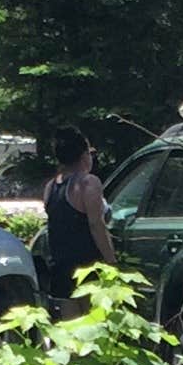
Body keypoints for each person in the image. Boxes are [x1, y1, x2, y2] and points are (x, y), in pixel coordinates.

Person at [39, 129, 114, 305]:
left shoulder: (51, 186)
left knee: (69, 325)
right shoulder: (88, 182)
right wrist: (111, 261)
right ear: (83, 155)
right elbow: (96, 224)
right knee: (94, 322)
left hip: (61, 267)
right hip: (88, 267)